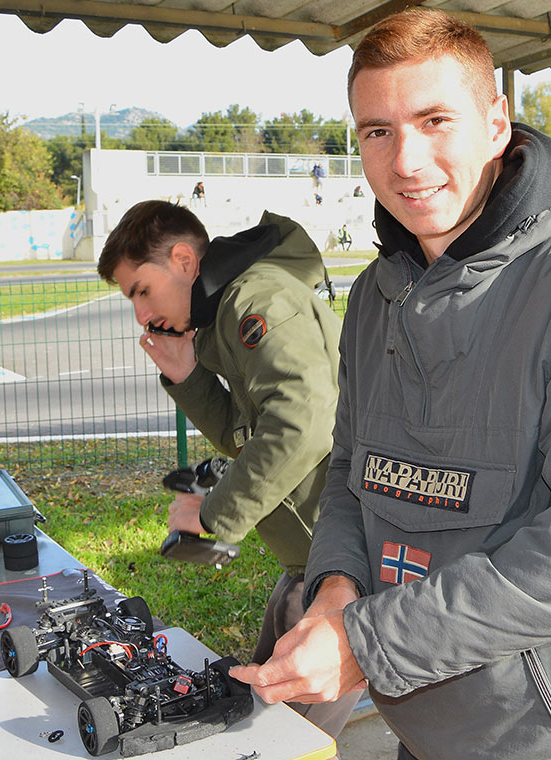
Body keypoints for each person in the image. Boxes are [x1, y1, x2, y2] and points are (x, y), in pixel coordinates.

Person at [229, 9, 551, 759]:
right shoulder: (379, 293)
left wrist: (369, 645)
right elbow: (350, 470)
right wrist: (339, 586)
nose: (406, 160)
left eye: (435, 119)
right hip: (423, 720)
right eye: (377, 130)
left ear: (497, 123)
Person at [95, 201, 358, 740]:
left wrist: (213, 512)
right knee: (256, 704)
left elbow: (303, 421)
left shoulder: (255, 300)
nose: (141, 315)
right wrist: (189, 376)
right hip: (315, 555)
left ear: (185, 260)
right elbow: (246, 438)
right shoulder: (224, 317)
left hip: (351, 561)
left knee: (279, 737)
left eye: (142, 290)